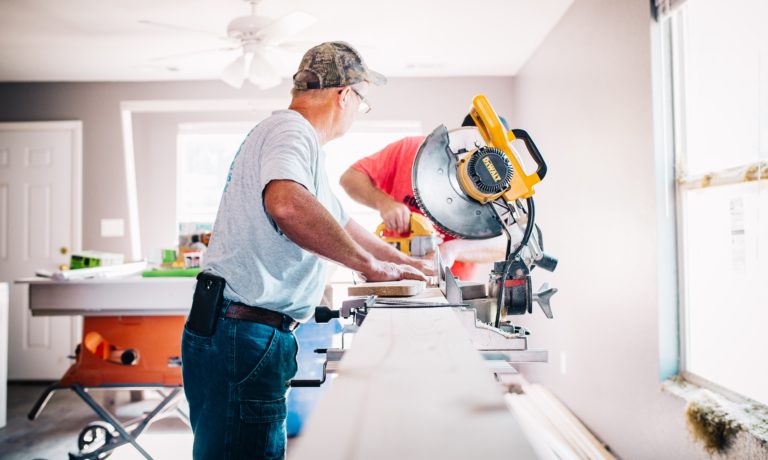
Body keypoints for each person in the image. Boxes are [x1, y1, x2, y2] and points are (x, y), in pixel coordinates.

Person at [181, 41, 430, 460]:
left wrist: (401, 262)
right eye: (361, 102)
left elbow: (340, 221)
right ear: (345, 95)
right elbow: (287, 204)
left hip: (238, 329)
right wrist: (370, 267)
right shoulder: (291, 131)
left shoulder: (294, 141)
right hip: (244, 333)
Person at [340, 115, 510, 281]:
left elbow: (506, 244)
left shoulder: (497, 187)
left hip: (451, 286)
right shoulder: (410, 150)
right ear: (460, 136)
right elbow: (350, 178)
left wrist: (453, 249)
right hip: (392, 276)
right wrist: (383, 202)